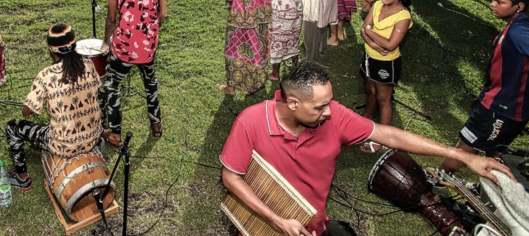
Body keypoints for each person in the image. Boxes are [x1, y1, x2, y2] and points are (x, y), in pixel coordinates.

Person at [220, 61, 513, 236]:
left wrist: (459, 154)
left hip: (311, 224)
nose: (329, 112)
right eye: (320, 107)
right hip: (261, 222)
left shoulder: (335, 116)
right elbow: (231, 177)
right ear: (293, 103)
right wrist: (276, 220)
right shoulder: (251, 121)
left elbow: (389, 135)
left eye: (329, 102)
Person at [439, 0, 529, 174]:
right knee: (494, 153)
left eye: (499, 2)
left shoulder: (520, 31)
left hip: (502, 107)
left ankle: (437, 178)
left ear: (519, 6)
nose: (492, 4)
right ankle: (490, 188)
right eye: (492, 0)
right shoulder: (520, 24)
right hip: (506, 104)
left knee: (465, 149)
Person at [4, 24, 103, 190]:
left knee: (13, 127)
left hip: (63, 145)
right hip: (93, 138)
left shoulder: (46, 75)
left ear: (51, 50)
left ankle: (22, 177)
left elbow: (26, 112)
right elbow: (96, 91)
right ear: (74, 45)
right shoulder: (88, 65)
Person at [100, 0, 167, 147]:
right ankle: (156, 124)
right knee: (150, 82)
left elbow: (111, 18)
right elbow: (163, 12)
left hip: (125, 45)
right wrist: (148, 31)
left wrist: (106, 42)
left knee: (111, 84)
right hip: (148, 44)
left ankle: (115, 133)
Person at [358, 0, 412, 152]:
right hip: (369, 56)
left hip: (386, 63)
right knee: (370, 90)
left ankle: (381, 139)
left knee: (384, 98)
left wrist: (370, 31)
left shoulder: (403, 16)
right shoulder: (377, 5)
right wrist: (374, 45)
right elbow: (362, 28)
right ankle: (365, 122)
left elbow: (390, 45)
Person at [217, 0, 271, 97]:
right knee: (258, 46)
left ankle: (231, 87)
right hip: (259, 13)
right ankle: (256, 83)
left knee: (235, 47)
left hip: (241, 16)